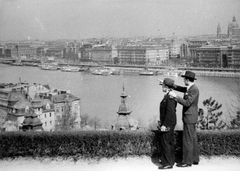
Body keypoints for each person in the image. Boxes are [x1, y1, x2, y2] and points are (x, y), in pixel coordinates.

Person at [169, 71, 200, 167]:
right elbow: (181, 88)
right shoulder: (190, 88)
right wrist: (170, 85)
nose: (183, 80)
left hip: (189, 117)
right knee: (192, 138)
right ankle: (194, 159)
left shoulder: (194, 89)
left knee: (188, 140)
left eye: (184, 79)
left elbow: (187, 103)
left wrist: (175, 97)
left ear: (187, 80)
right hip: (190, 117)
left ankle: (187, 162)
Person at [158, 78, 177, 170]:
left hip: (168, 122)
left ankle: (167, 163)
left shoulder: (169, 97)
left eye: (163, 85)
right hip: (170, 121)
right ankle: (169, 161)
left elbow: (169, 112)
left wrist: (164, 124)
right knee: (168, 141)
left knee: (166, 142)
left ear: (166, 87)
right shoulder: (169, 95)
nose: (161, 86)